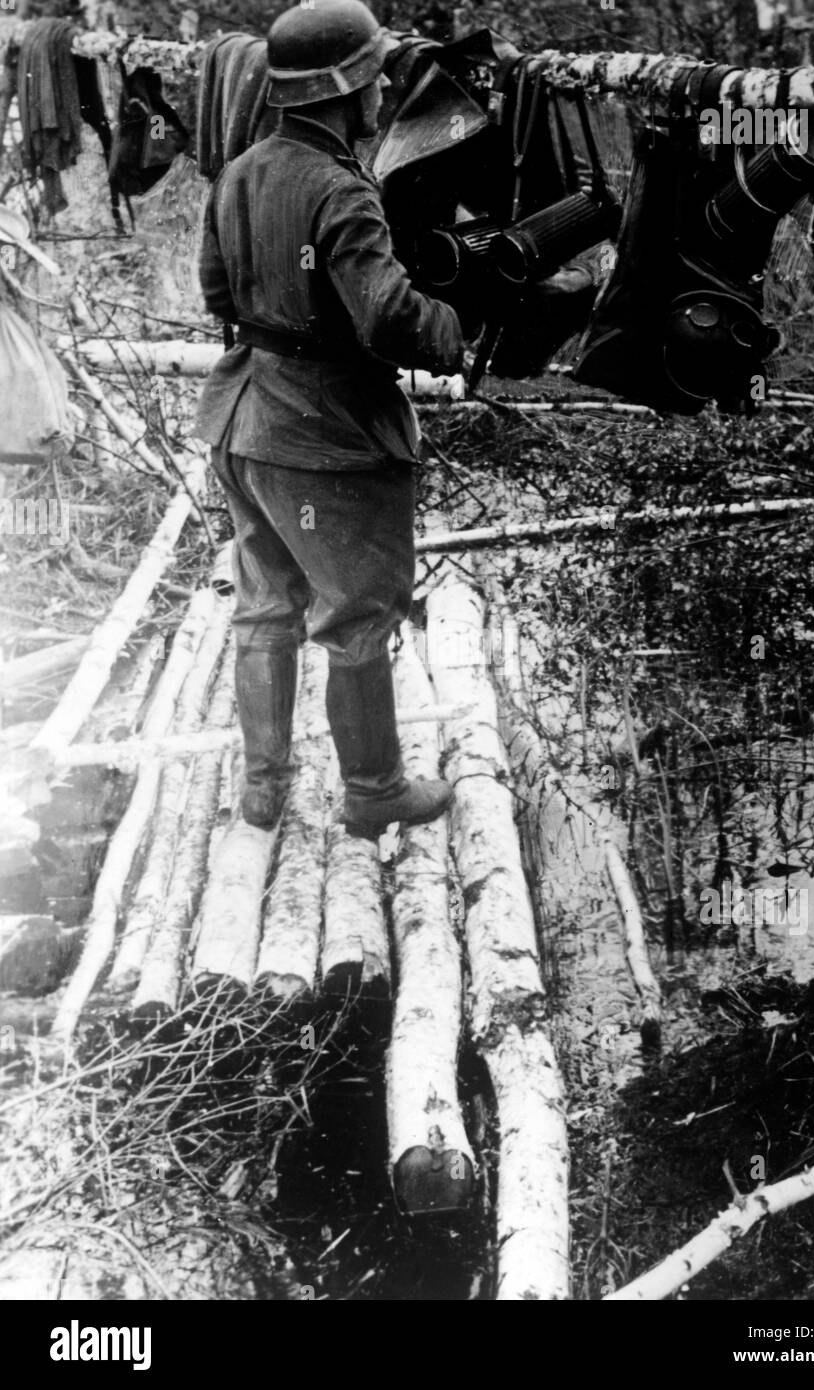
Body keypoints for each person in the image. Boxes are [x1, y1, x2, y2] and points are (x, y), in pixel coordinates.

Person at [195, 0, 468, 837]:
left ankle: (264, 789)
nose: (386, 87)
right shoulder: (342, 190)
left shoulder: (241, 170)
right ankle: (375, 790)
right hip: (324, 435)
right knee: (357, 613)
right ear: (348, 89)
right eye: (378, 73)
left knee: (265, 605)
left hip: (244, 416)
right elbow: (387, 319)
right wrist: (453, 328)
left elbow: (215, 291)